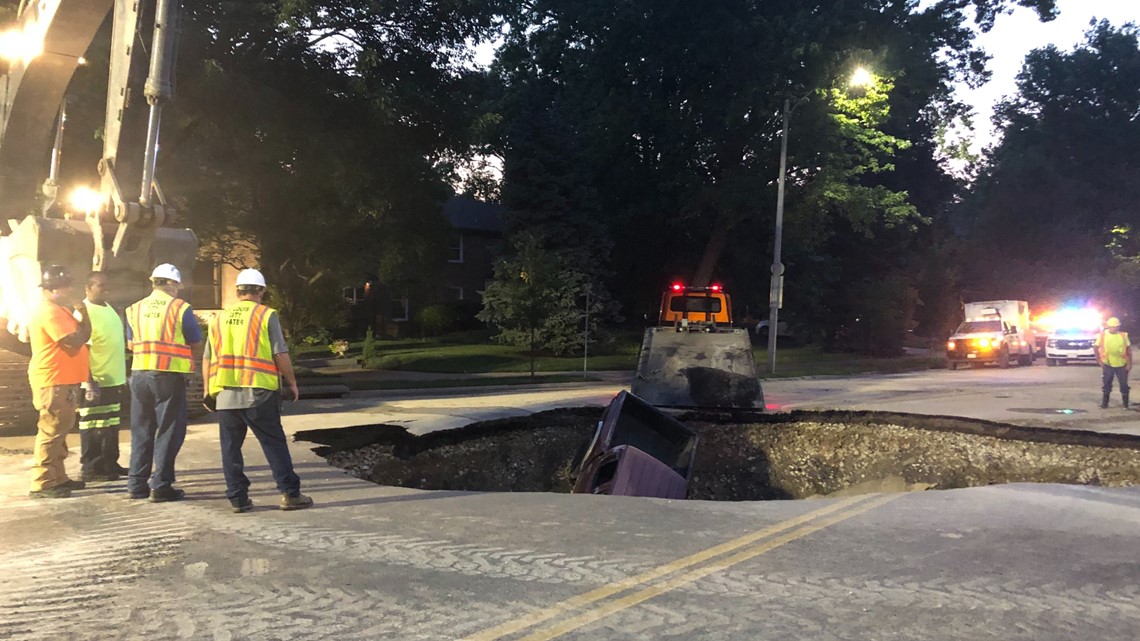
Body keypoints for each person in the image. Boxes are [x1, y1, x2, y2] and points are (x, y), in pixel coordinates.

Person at [202, 268, 312, 513]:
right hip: (258, 392)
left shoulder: (218, 318)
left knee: (230, 448)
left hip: (226, 394)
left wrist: (208, 390)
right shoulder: (266, 315)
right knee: (273, 444)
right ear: (261, 290)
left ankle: (237, 498)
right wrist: (292, 382)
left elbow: (207, 358)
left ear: (238, 291)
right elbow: (280, 353)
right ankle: (289, 494)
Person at [125, 263, 202, 502]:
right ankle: (161, 485)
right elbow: (195, 341)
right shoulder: (180, 308)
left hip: (139, 375)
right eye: (177, 284)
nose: (178, 289)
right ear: (170, 283)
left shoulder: (134, 309)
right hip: (168, 376)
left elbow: (130, 344)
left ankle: (136, 484)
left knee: (141, 430)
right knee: (169, 431)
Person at [27, 265, 90, 499]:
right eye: (66, 286)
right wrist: (85, 316)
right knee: (51, 430)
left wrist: (83, 317)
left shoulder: (58, 310)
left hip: (61, 380)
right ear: (53, 288)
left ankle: (58, 477)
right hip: (52, 381)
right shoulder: (50, 312)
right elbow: (74, 341)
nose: (70, 289)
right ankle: (42, 481)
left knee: (60, 430)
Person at [78, 272, 129, 482]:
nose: (105, 289)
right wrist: (89, 381)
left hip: (113, 379)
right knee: (92, 426)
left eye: (107, 285)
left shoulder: (109, 308)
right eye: (100, 285)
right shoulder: (83, 313)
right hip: (95, 381)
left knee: (110, 424)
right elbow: (82, 350)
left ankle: (110, 464)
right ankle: (91, 468)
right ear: (87, 289)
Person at [1095, 317, 1131, 409]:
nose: (1114, 328)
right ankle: (1105, 404)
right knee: (1107, 384)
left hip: (1121, 363)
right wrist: (1099, 360)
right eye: (1112, 327)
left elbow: (1128, 350)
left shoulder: (1123, 336)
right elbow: (1095, 347)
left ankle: (1125, 404)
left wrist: (1129, 364)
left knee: (1124, 385)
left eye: (1116, 327)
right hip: (1108, 364)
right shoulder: (1102, 336)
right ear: (1108, 327)